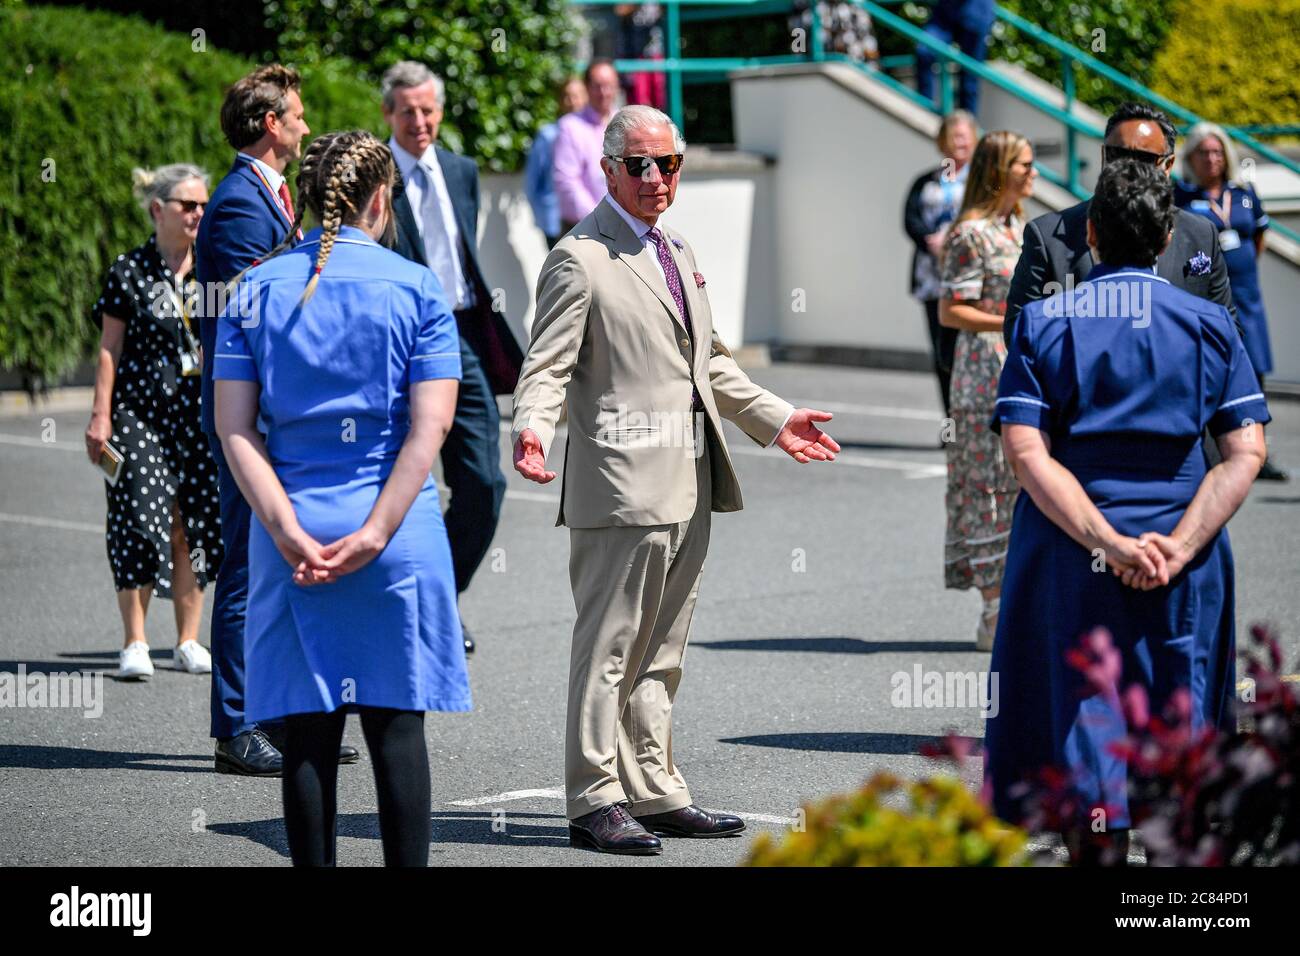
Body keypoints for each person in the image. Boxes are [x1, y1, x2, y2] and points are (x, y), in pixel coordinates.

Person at [512, 105, 841, 855]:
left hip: (690, 476)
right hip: (622, 487)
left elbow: (712, 362)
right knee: (609, 649)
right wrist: (531, 427)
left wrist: (776, 417)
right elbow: (548, 365)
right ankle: (592, 799)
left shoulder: (677, 246)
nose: (656, 178)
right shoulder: (579, 257)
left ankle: (653, 789)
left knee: (662, 652)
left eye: (669, 163)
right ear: (608, 170)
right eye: (639, 165)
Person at [985, 159, 1269, 863]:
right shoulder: (1208, 323)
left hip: (1068, 547)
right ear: (1167, 233)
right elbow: (1245, 452)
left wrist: (1106, 542)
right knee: (1181, 723)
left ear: (1090, 233)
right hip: (1184, 547)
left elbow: (1027, 455)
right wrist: (1177, 545)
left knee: (1081, 719)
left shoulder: (1045, 321)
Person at [214, 130, 471, 867]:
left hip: (290, 528)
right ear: (381, 199)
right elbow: (433, 428)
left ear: (303, 195)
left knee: (307, 733)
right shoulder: (417, 287)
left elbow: (235, 429)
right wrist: (377, 531)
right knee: (397, 729)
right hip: (394, 530)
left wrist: (286, 528)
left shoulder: (253, 290)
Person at [196, 64, 359, 775]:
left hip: (274, 410)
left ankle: (280, 715)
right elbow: (256, 305)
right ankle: (235, 726)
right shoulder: (237, 203)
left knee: (282, 562)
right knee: (244, 568)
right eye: (297, 113)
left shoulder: (265, 196)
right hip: (247, 412)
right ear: (271, 123)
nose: (305, 122)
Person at [380, 61, 525, 654]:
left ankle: (438, 596)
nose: (420, 121)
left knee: (485, 484)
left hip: (460, 334)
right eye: (407, 111)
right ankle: (393, 610)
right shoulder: (376, 176)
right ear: (388, 115)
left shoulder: (462, 170)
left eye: (428, 109)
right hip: (397, 341)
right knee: (395, 482)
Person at [86, 164, 223, 680]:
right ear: (157, 209)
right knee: (141, 519)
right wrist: (101, 416)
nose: (198, 214)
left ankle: (187, 640)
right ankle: (135, 641)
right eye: (188, 205)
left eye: (203, 205)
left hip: (198, 415)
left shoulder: (211, 270)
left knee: (194, 522)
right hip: (138, 415)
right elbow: (109, 347)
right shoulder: (130, 270)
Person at [1005, 102, 1237, 349]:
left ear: (1167, 166)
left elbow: (1226, 331)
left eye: (1143, 159)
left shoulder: (1199, 233)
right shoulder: (1048, 235)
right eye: (1119, 155)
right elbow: (1020, 332)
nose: (1128, 168)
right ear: (1104, 156)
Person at [938, 130, 1035, 650]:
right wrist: (1009, 322)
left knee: (1021, 483)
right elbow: (950, 309)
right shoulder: (970, 234)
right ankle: (993, 608)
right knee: (987, 488)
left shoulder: (1019, 228)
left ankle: (1016, 601)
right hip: (981, 374)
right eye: (1024, 165)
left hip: (1019, 368)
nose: (1033, 174)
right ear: (1000, 170)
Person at [1176, 122, 1287, 482]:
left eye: (1217, 151)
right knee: (1207, 370)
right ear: (1190, 157)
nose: (1211, 159)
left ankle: (1258, 451)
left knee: (1254, 369)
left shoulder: (1243, 192)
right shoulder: (1180, 194)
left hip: (1246, 296)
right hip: (1204, 296)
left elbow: (1258, 238)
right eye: (1203, 152)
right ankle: (1211, 449)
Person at [903, 110, 977, 414]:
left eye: (964, 135)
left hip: (972, 277)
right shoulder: (926, 181)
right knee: (943, 351)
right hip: (933, 278)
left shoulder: (982, 180)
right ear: (941, 142)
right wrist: (929, 240)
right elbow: (909, 219)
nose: (958, 141)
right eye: (953, 135)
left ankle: (977, 414)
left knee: (971, 350)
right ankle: (952, 419)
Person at [553, 59, 621, 234]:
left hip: (622, 225)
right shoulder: (570, 126)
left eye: (609, 85)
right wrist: (599, 219)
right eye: (597, 86)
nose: (603, 92)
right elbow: (566, 180)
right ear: (586, 88)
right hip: (582, 227)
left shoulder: (625, 122)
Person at [525, 77, 588, 249]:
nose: (572, 101)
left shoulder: (595, 132)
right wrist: (543, 216)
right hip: (556, 221)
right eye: (567, 96)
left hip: (588, 218)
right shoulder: (548, 135)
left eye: (577, 95)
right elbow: (532, 182)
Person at [915, 0, 995, 116]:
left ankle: (967, 126)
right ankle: (926, 111)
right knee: (924, 52)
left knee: (969, 79)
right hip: (946, 11)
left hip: (977, 13)